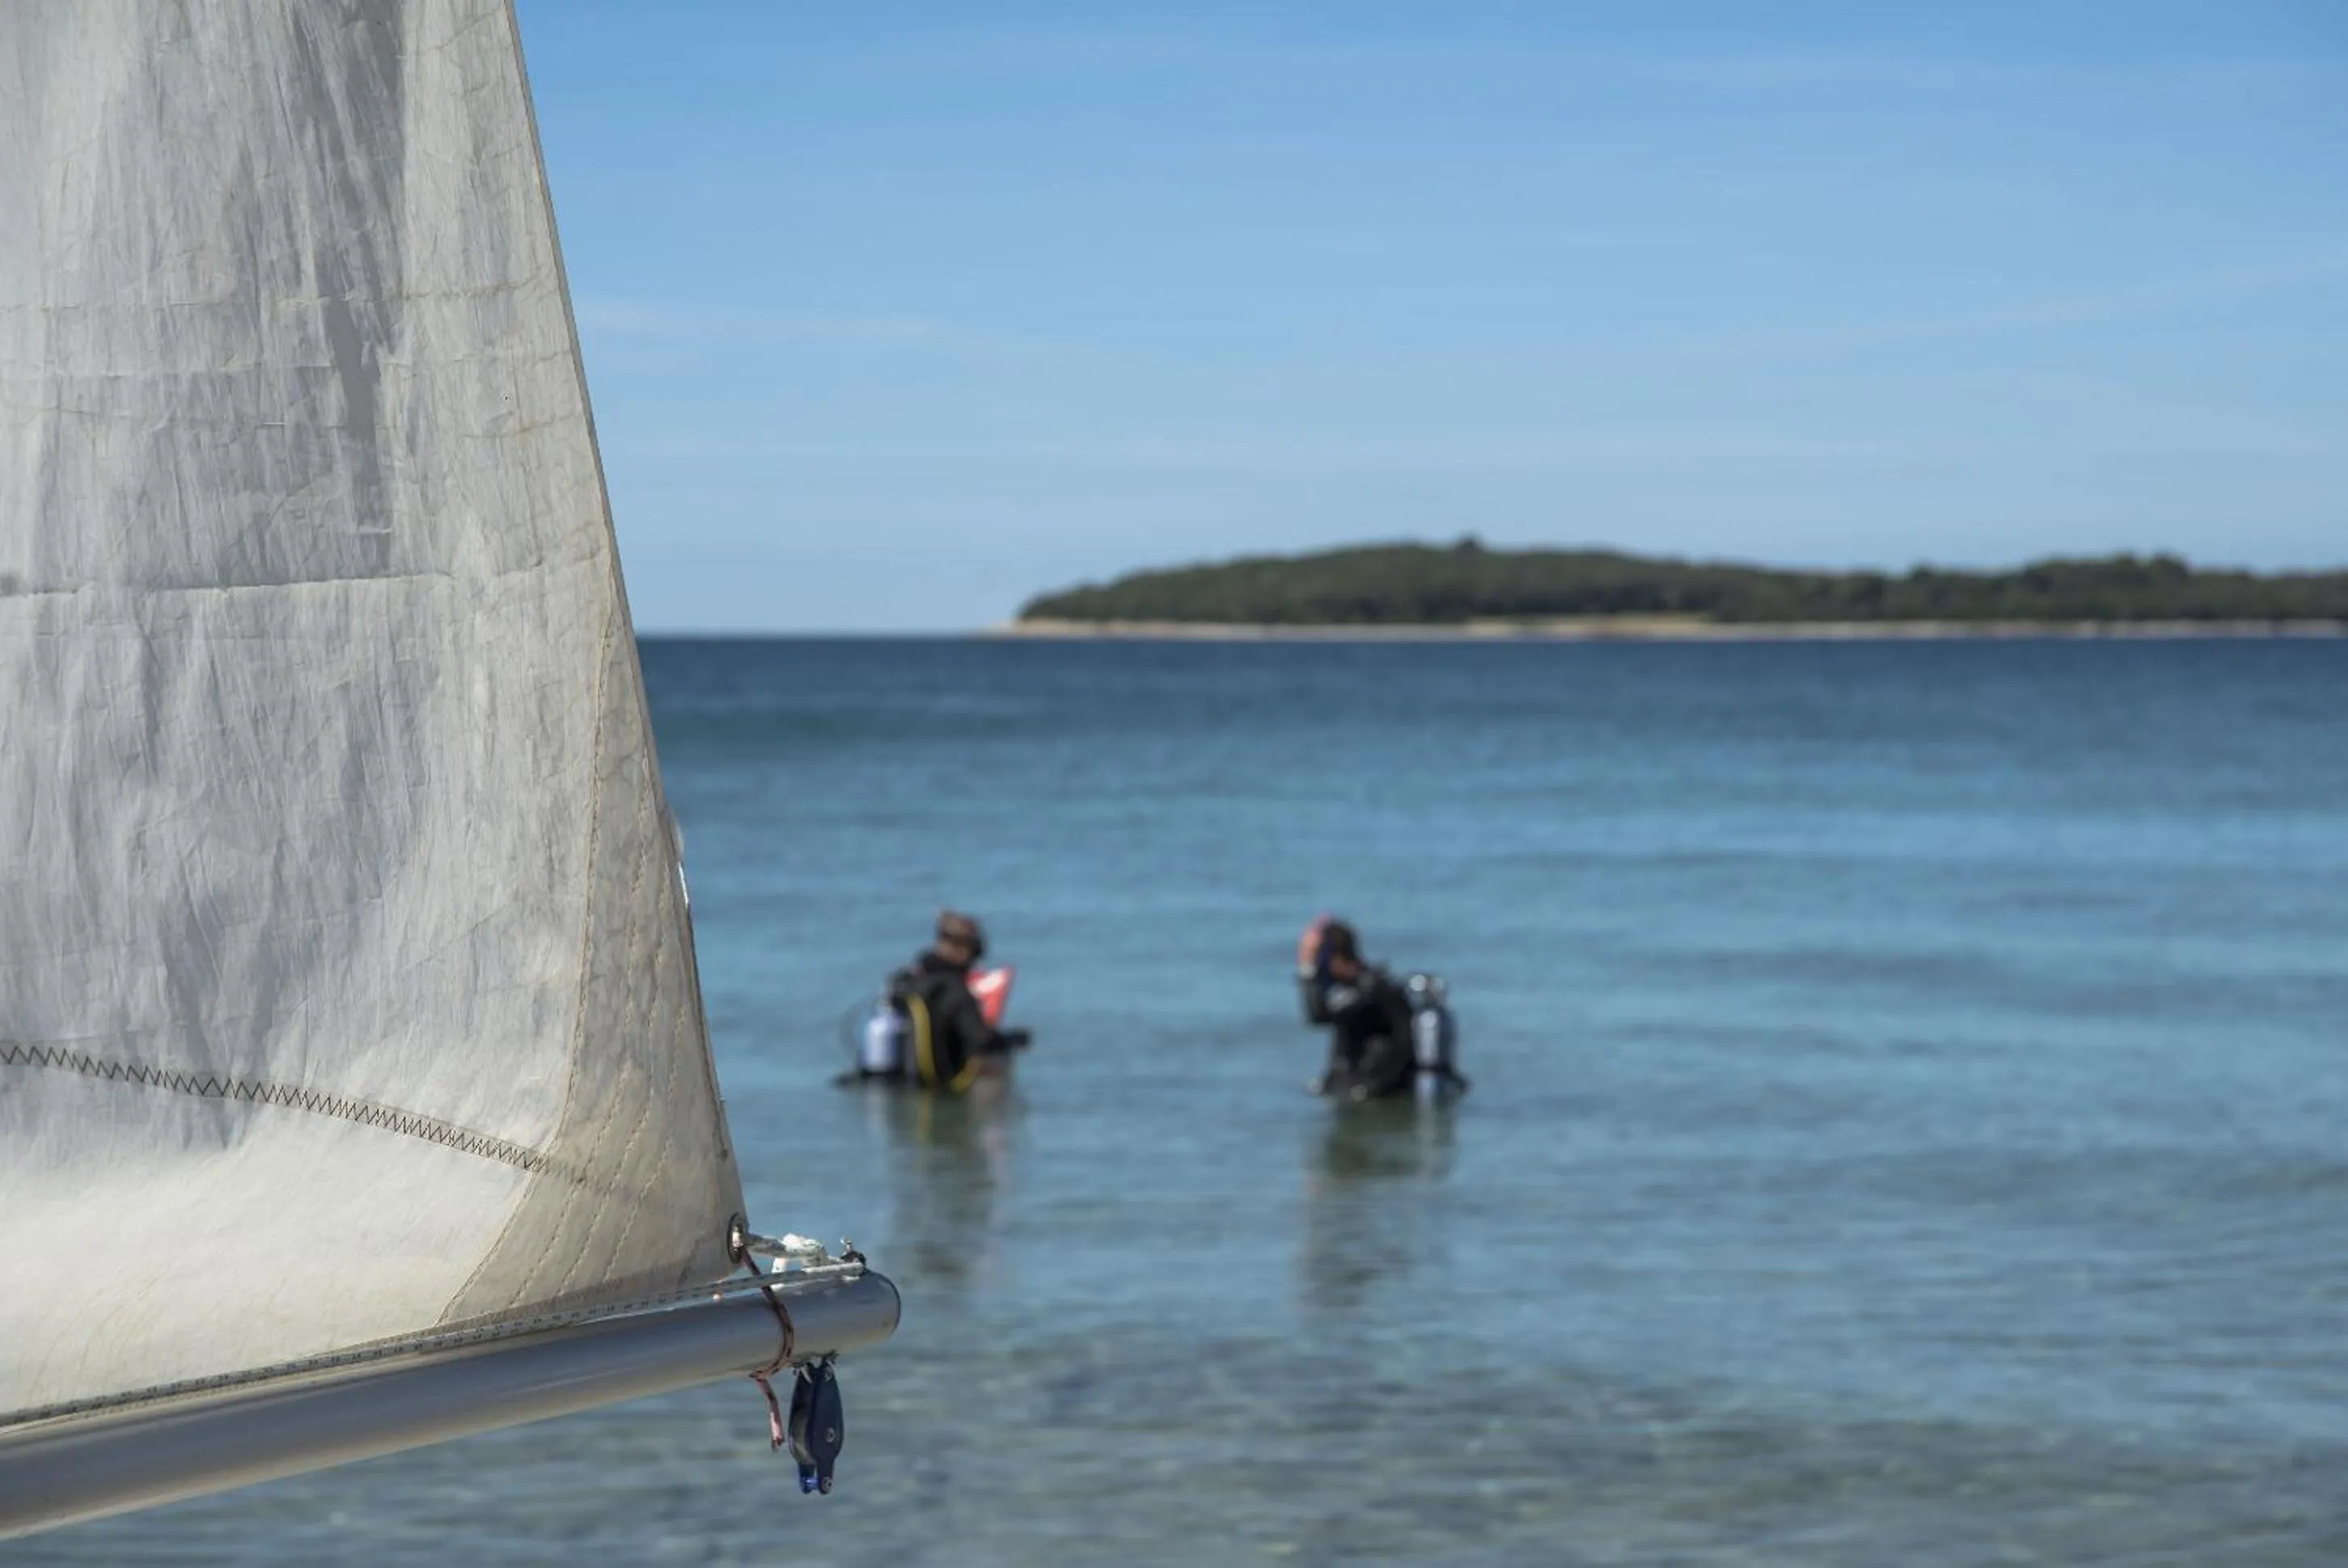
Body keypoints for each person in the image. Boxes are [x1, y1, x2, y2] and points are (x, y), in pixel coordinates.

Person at [883, 910, 1029, 1092]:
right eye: (976, 954)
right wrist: (1014, 1039)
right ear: (963, 951)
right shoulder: (956, 993)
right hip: (944, 1084)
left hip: (903, 1084)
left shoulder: (907, 983)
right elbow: (982, 1041)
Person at [1296, 916, 1416, 1101]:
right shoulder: (1356, 987)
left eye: (1317, 959)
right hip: (1363, 1089)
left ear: (1333, 957)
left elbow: (1319, 1016)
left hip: (1376, 1092)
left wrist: (1307, 970)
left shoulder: (1370, 989)